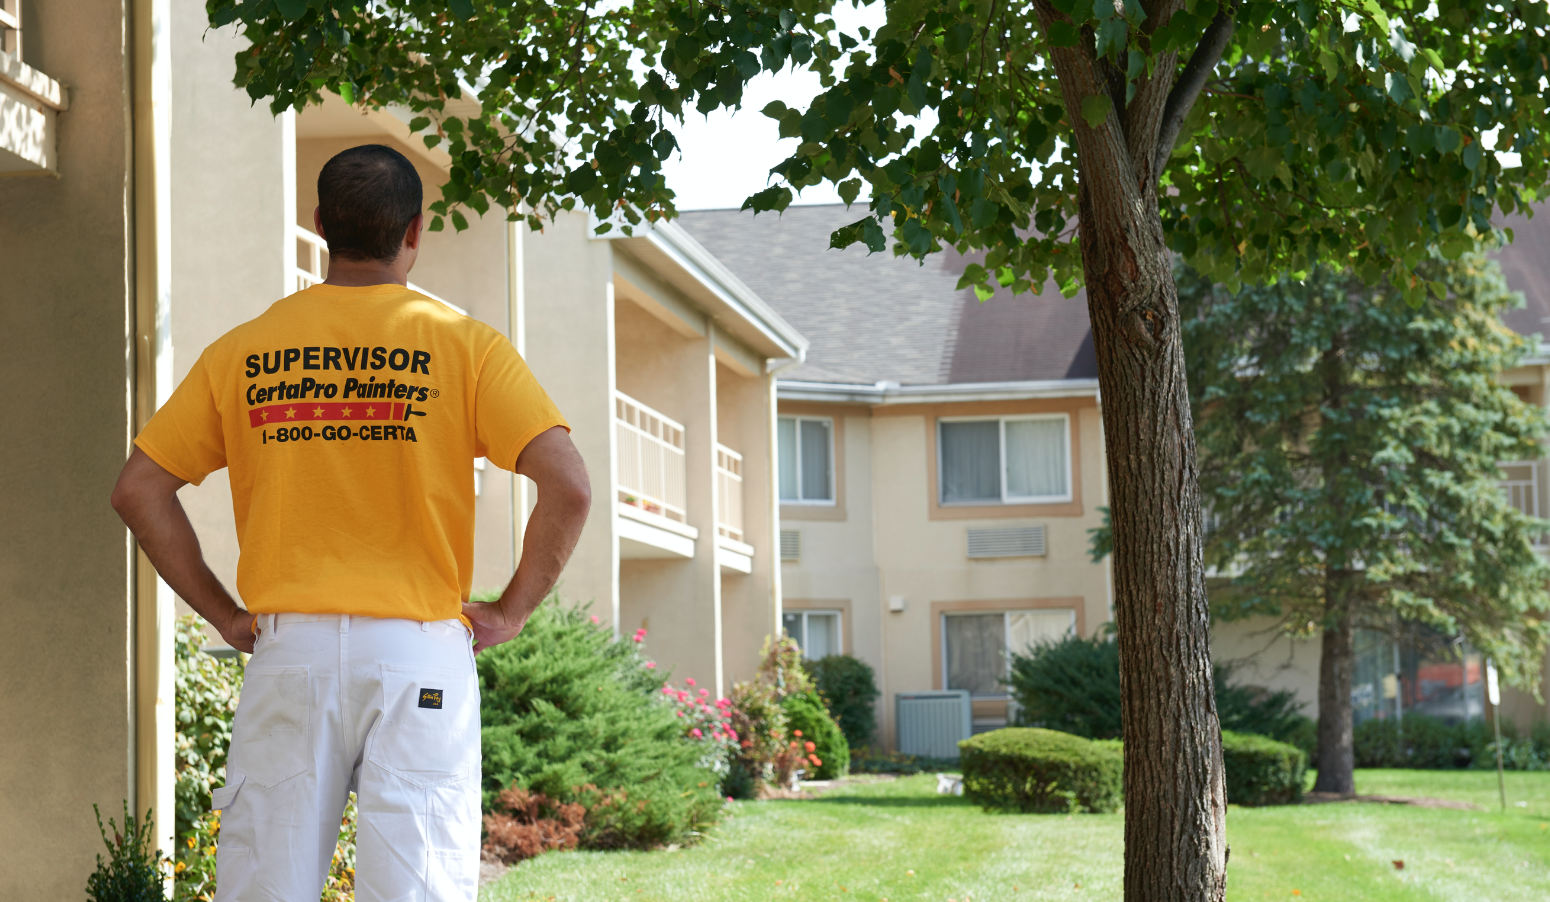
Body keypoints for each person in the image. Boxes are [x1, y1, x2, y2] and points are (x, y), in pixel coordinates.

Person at [110, 144, 591, 901]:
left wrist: (224, 614)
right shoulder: (466, 348)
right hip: (417, 657)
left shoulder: (244, 351)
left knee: (265, 885)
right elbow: (568, 486)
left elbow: (138, 490)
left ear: (320, 224)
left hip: (287, 654)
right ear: (414, 232)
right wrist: (510, 610)